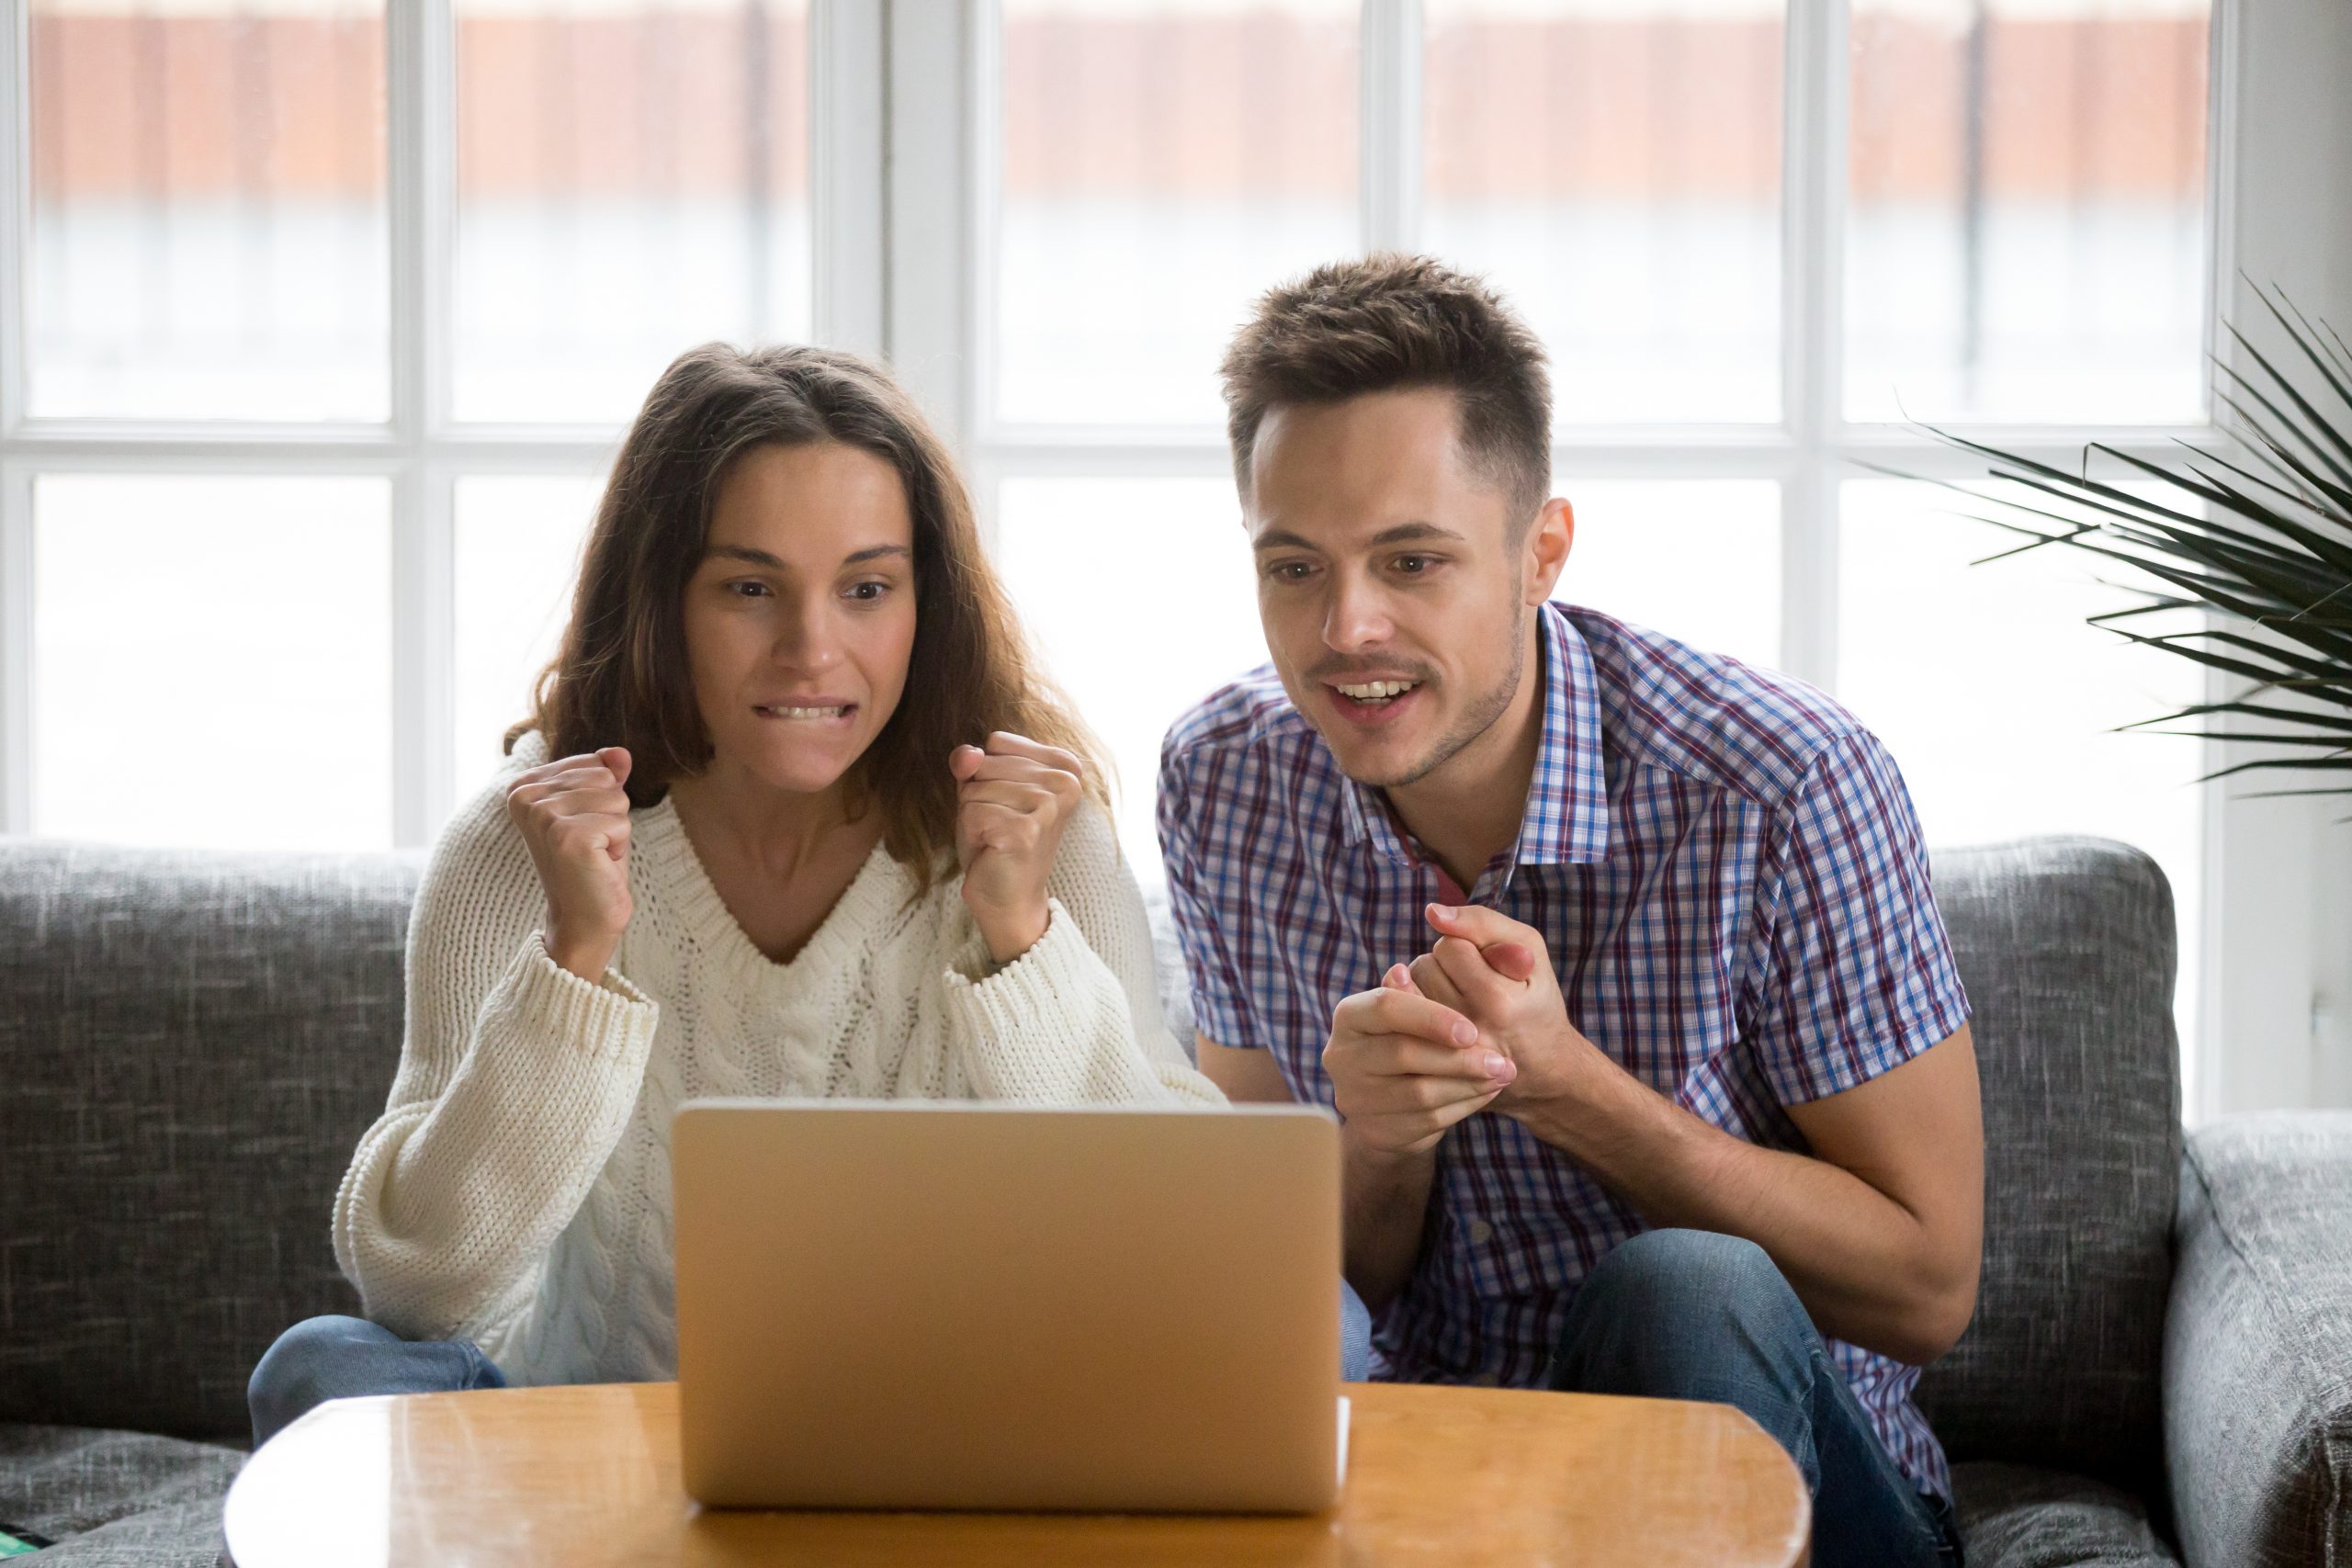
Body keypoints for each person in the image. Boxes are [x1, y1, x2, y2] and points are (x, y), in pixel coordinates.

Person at [248, 343, 1226, 1448]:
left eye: (866, 589)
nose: (812, 650)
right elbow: (416, 1289)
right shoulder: (517, 842)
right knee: (321, 1370)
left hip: (951, 1443)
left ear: (924, 602)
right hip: (585, 1454)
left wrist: (1020, 941)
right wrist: (573, 961)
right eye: (750, 589)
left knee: (1321, 1335)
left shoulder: (1036, 832)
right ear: (662, 599)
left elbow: (1183, 1254)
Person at [1158, 255, 1979, 1568]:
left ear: (1542, 551)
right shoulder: (1228, 781)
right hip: (1438, 1483)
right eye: (1295, 564)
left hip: (1801, 1497)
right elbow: (1313, 1289)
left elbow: (1930, 1289)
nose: (1345, 625)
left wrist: (1565, 1085)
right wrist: (1377, 1140)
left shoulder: (1783, 786)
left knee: (1684, 1284)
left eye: (1412, 559)